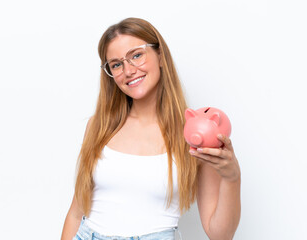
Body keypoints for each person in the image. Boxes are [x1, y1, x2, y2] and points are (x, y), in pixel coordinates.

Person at [61, 17, 241, 240]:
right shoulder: (99, 126)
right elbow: (76, 214)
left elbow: (220, 234)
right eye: (116, 64)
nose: (128, 71)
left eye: (136, 55)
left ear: (161, 56)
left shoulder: (194, 134)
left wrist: (232, 178)